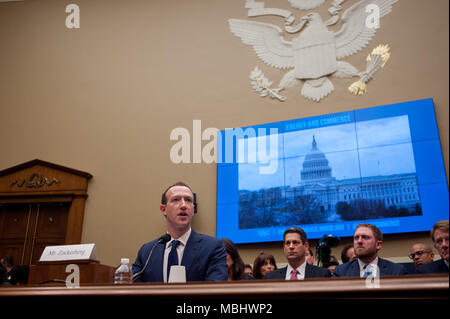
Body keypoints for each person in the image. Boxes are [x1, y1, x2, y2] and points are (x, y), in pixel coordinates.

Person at [132, 182, 227, 282]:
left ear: (193, 209)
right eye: (176, 200)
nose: (183, 205)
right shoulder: (147, 251)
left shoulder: (213, 247)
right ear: (163, 209)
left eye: (188, 200)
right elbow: (133, 289)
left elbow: (215, 291)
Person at [333, 223, 406, 278]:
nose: (359, 241)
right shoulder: (341, 272)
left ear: (378, 245)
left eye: (365, 237)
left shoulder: (397, 271)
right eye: (356, 238)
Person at [265, 227, 331, 280]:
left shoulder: (322, 274)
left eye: (295, 242)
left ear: (306, 246)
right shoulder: (271, 277)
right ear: (284, 247)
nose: (291, 247)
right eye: (288, 243)